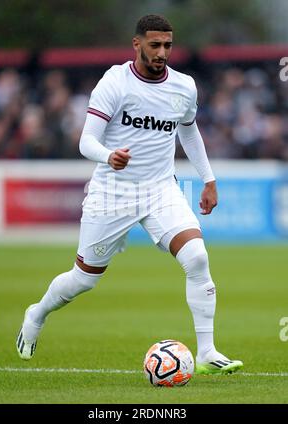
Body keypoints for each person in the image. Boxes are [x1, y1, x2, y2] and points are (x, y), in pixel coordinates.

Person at [16, 14, 243, 375]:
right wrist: (109, 155)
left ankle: (207, 351)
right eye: (155, 45)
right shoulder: (115, 82)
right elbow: (86, 140)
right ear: (137, 44)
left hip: (161, 190)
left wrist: (208, 179)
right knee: (84, 279)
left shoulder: (184, 87)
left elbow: (189, 131)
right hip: (112, 193)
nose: (162, 52)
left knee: (197, 258)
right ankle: (37, 312)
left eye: (168, 45)